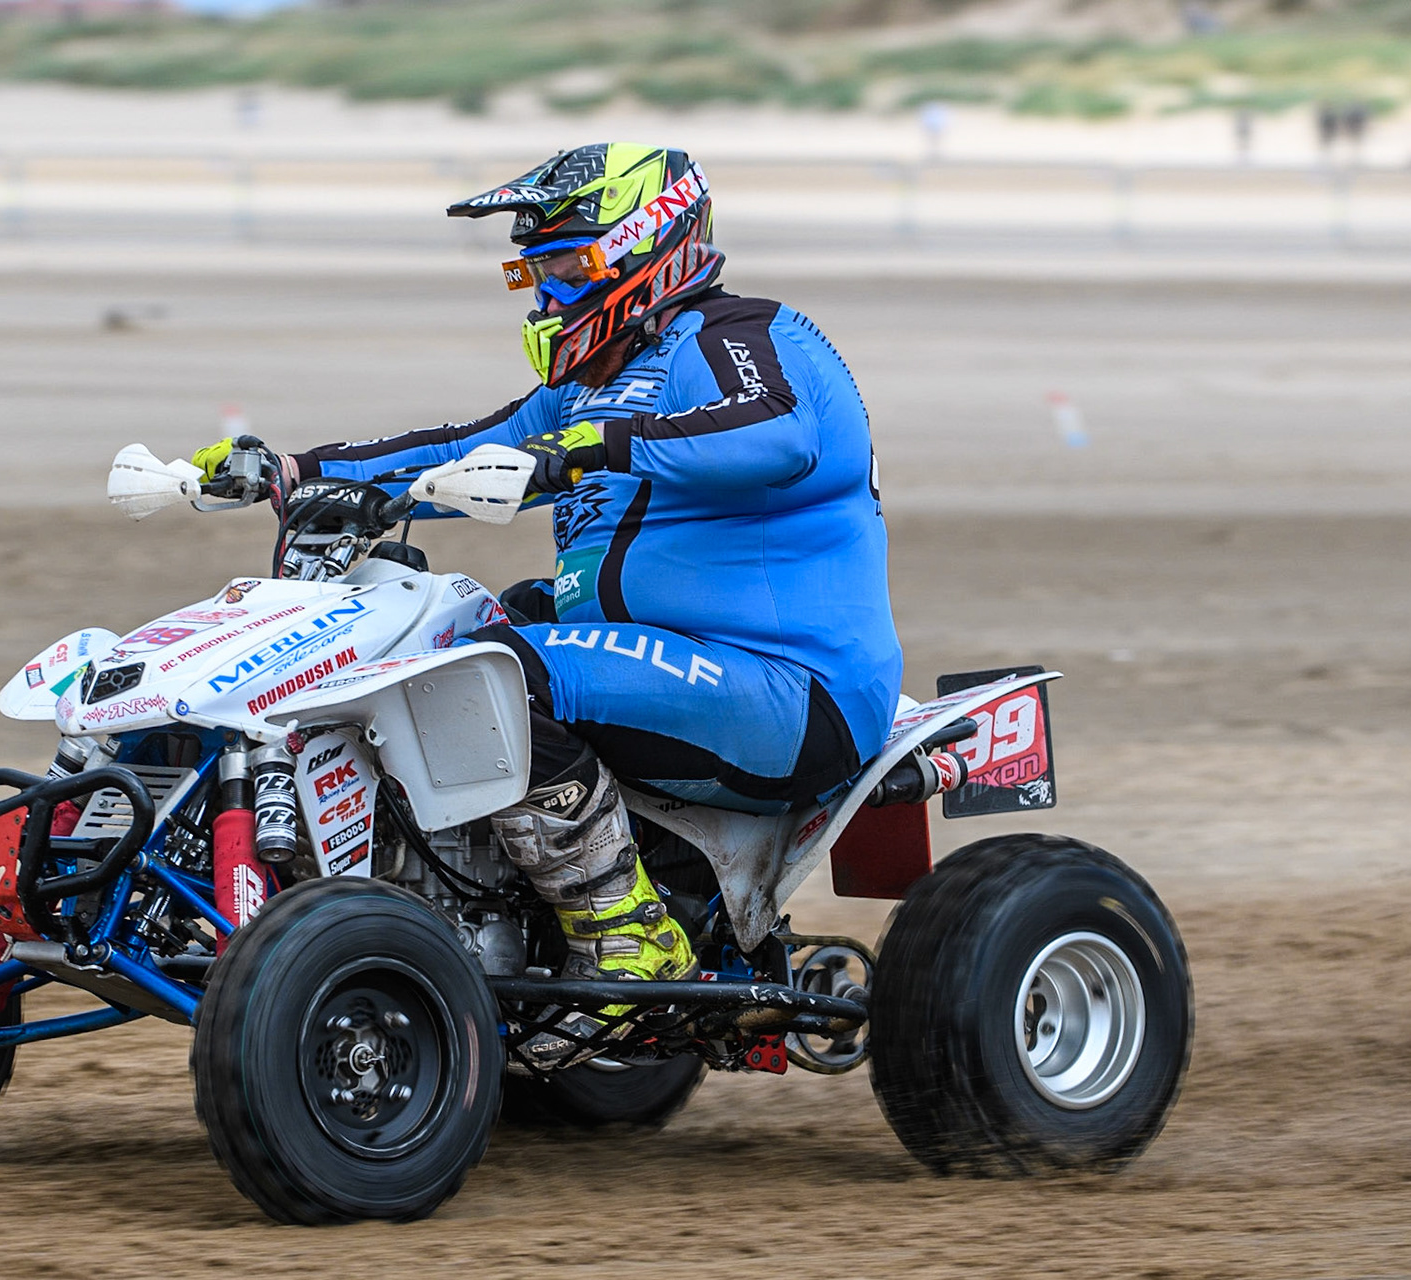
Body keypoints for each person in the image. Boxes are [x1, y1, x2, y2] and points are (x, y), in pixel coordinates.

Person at [193, 144, 902, 1062]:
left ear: (649, 246)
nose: (549, 294)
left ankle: (627, 932)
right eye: (538, 271)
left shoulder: (743, 337)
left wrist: (584, 450)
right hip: (663, 668)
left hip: (791, 687)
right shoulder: (588, 383)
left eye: (570, 265)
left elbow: (781, 432)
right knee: (436, 639)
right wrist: (294, 470)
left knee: (496, 677)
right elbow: (461, 446)